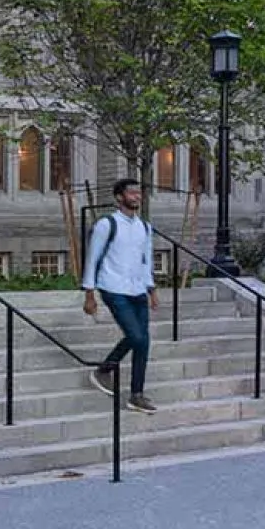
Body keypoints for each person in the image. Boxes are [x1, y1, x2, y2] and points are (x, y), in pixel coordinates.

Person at [81, 177, 158, 412]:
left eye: (139, 192)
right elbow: (92, 258)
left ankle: (136, 394)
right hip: (112, 288)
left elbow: (146, 260)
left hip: (137, 290)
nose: (136, 196)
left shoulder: (145, 227)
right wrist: (89, 294)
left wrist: (151, 289)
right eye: (131, 192)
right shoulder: (107, 225)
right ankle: (105, 370)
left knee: (143, 341)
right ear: (119, 197)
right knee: (136, 337)